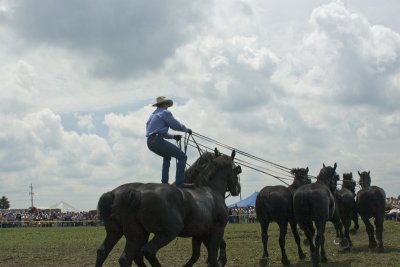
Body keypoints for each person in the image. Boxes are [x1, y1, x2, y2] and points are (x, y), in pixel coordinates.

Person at [146, 96, 193, 188]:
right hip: (157, 141)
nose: (168, 106)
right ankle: (180, 183)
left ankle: (164, 182)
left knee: (167, 156)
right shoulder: (165, 112)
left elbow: (158, 133)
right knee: (182, 157)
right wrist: (186, 130)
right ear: (164, 104)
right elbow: (175, 125)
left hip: (150, 142)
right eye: (167, 104)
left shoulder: (153, 115)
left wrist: (173, 136)